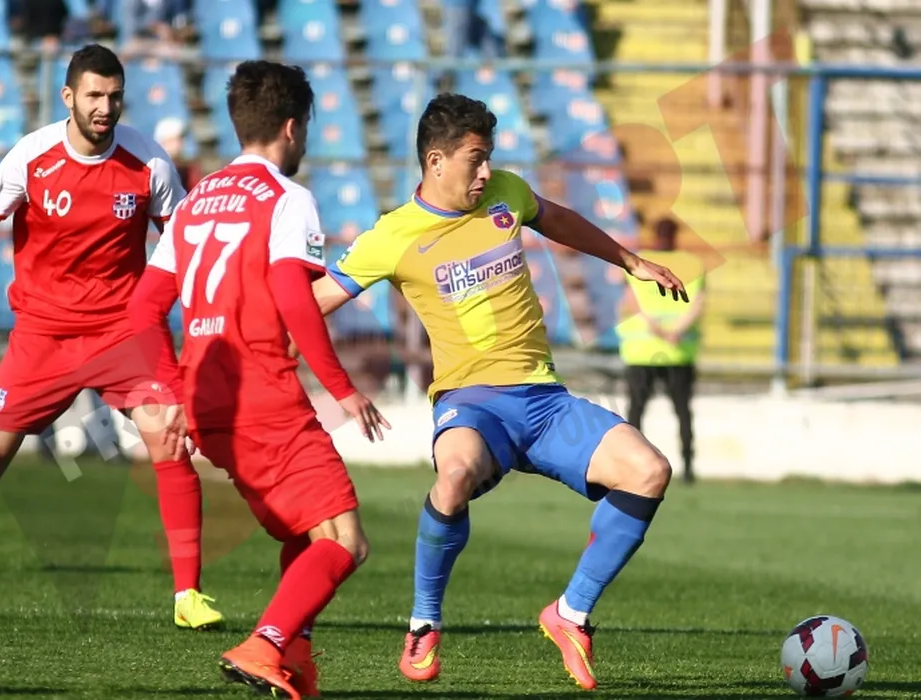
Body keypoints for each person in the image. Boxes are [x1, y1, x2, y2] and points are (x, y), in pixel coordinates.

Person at [308, 93, 688, 691]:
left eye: (489, 158)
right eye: (475, 159)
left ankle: (570, 614)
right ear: (436, 161)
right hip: (471, 401)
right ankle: (424, 622)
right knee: (455, 475)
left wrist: (630, 261)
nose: (486, 172)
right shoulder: (393, 235)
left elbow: (556, 218)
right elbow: (312, 305)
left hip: (545, 401)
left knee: (649, 470)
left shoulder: (506, 193)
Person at [0, 44, 222, 631]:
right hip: (43, 335)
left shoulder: (149, 162)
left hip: (124, 331)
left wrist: (197, 330)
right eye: (94, 95)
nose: (105, 107)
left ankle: (188, 596)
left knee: (169, 444)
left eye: (114, 96)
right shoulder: (32, 156)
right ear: (68, 96)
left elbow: (186, 249)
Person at [133, 59, 389, 700]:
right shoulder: (286, 198)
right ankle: (264, 644)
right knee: (345, 540)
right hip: (263, 395)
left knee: (308, 535)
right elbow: (294, 300)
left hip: (206, 401)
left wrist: (169, 391)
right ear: (293, 127)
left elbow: (142, 310)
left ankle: (294, 661)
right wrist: (342, 388)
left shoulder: (194, 202)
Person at [618, 217, 706, 484]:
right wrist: (675, 331)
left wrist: (655, 328)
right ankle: (688, 467)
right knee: (682, 412)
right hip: (677, 350)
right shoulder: (692, 264)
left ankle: (631, 465)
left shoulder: (639, 262)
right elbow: (698, 303)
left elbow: (631, 301)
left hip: (642, 351)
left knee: (636, 412)